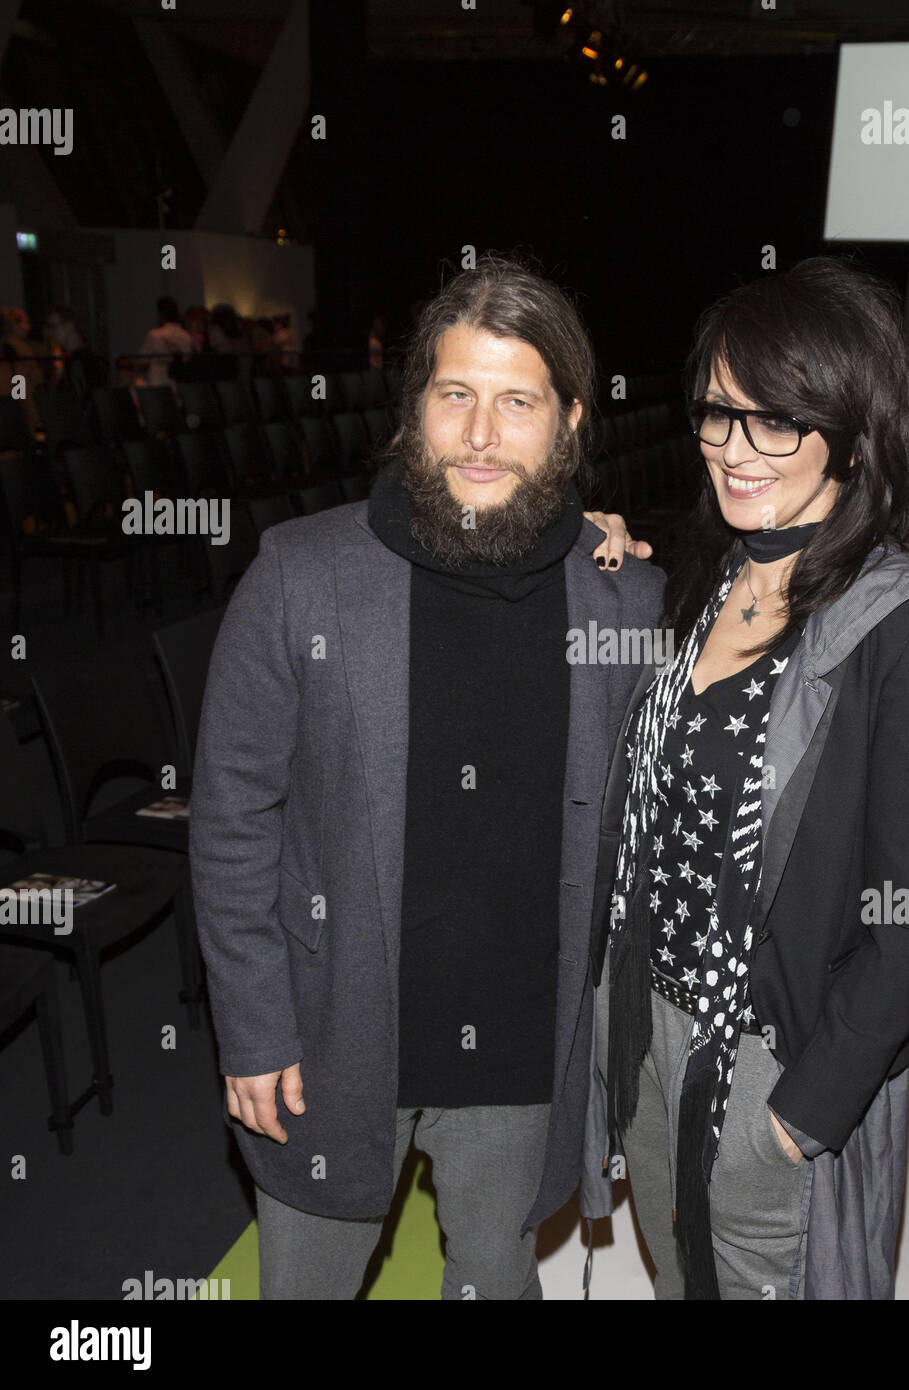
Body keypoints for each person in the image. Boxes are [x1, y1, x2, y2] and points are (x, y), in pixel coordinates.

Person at [190, 254, 660, 1300]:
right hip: (333, 1028)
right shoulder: (299, 576)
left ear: (570, 422)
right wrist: (254, 1025)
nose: (482, 436)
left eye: (517, 402)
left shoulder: (621, 604)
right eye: (455, 396)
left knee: (493, 1278)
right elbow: (230, 821)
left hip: (521, 1044)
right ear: (414, 410)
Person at [591, 254, 909, 1299]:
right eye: (717, 414)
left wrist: (798, 1117)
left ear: (854, 434)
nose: (735, 449)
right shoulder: (704, 571)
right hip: (649, 1033)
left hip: (769, 1061)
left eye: (776, 421)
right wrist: (572, 542)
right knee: (677, 1274)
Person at [135, 297, 193, 387]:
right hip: (180, 385)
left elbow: (142, 361)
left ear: (160, 315)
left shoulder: (155, 335)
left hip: (158, 383)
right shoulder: (186, 336)